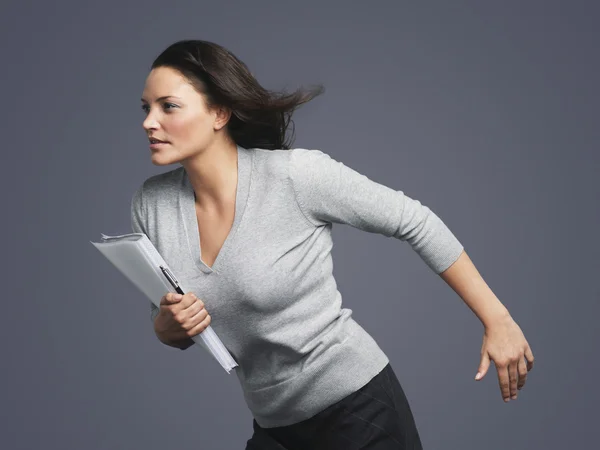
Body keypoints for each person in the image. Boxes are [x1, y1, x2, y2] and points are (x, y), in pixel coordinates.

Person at [132, 39, 535, 449]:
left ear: (219, 112)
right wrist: (167, 327)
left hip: (358, 411)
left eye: (168, 106)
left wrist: (497, 320)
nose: (149, 121)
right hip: (275, 424)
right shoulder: (152, 205)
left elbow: (415, 221)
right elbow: (166, 318)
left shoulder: (296, 177)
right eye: (146, 108)